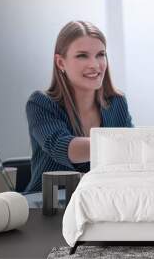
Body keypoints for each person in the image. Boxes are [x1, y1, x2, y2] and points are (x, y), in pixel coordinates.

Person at [25, 21, 133, 192]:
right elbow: (63, 147)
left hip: (101, 202)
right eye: (82, 55)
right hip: (49, 206)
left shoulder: (117, 103)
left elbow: (131, 158)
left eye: (100, 54)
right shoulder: (41, 103)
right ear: (61, 63)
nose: (95, 64)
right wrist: (125, 144)